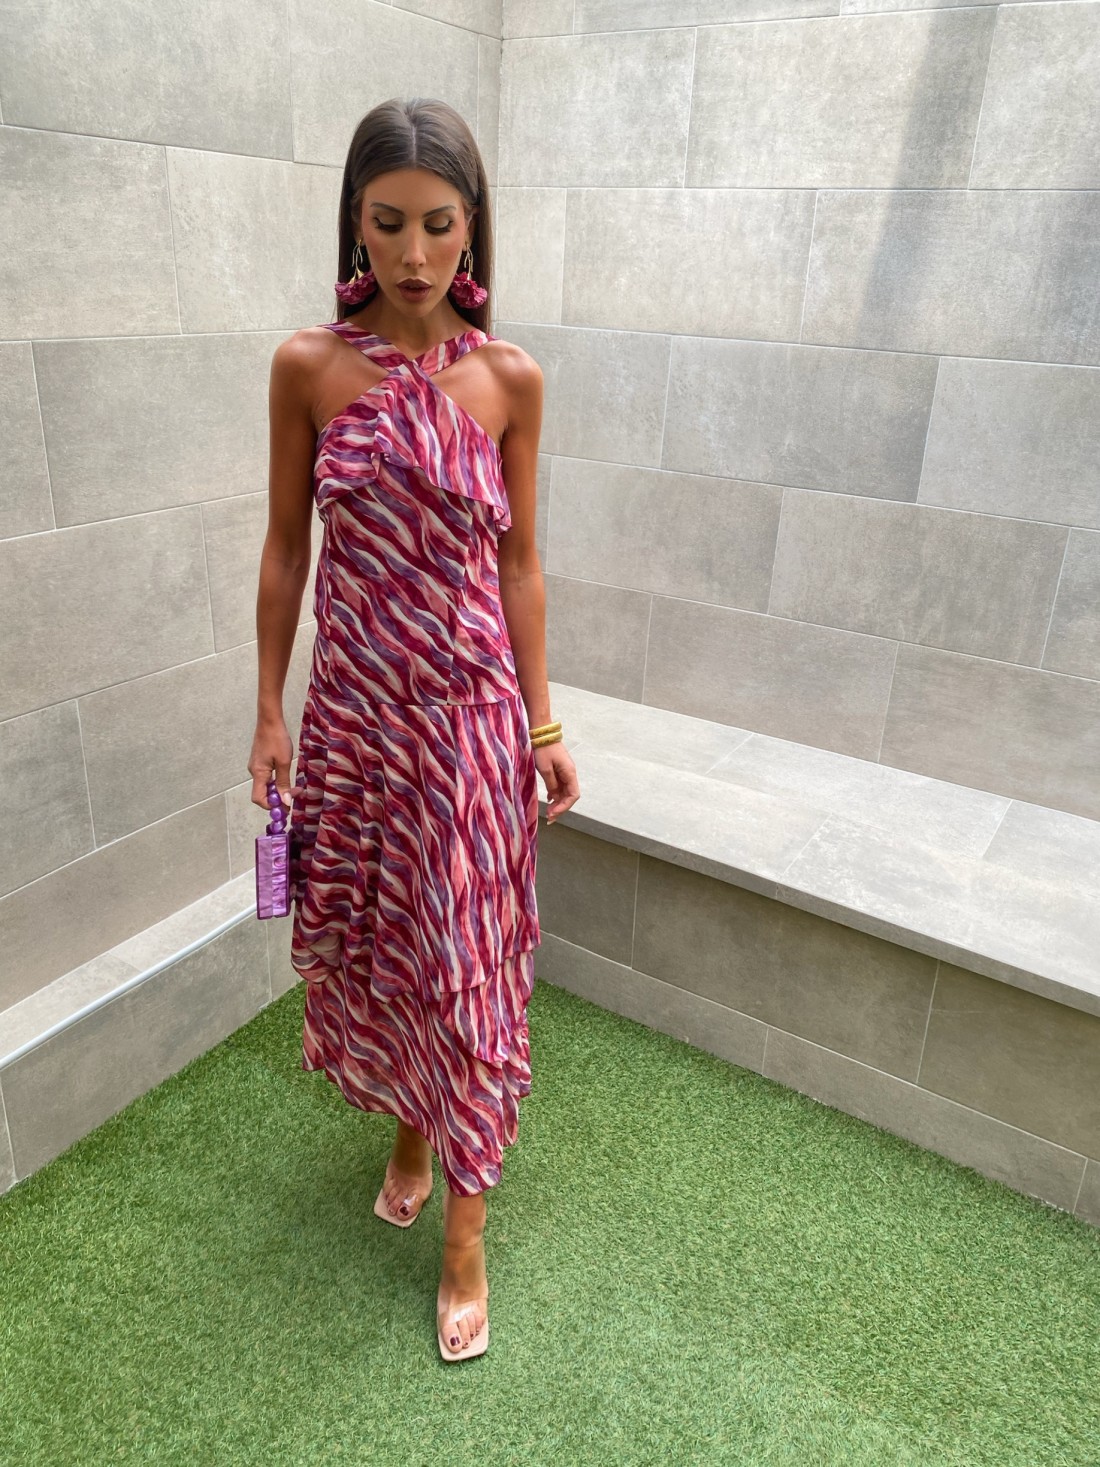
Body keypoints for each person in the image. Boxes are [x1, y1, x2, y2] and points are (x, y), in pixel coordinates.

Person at [248, 95, 580, 1362]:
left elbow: (521, 566)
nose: (414, 253)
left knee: (467, 959)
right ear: (355, 222)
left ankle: (462, 1239)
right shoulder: (306, 368)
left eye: (439, 225)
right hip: (353, 725)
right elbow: (286, 551)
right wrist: (267, 709)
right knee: (389, 941)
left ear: (472, 227)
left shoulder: (509, 381)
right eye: (387, 223)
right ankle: (405, 1128)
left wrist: (542, 728)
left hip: (468, 728)